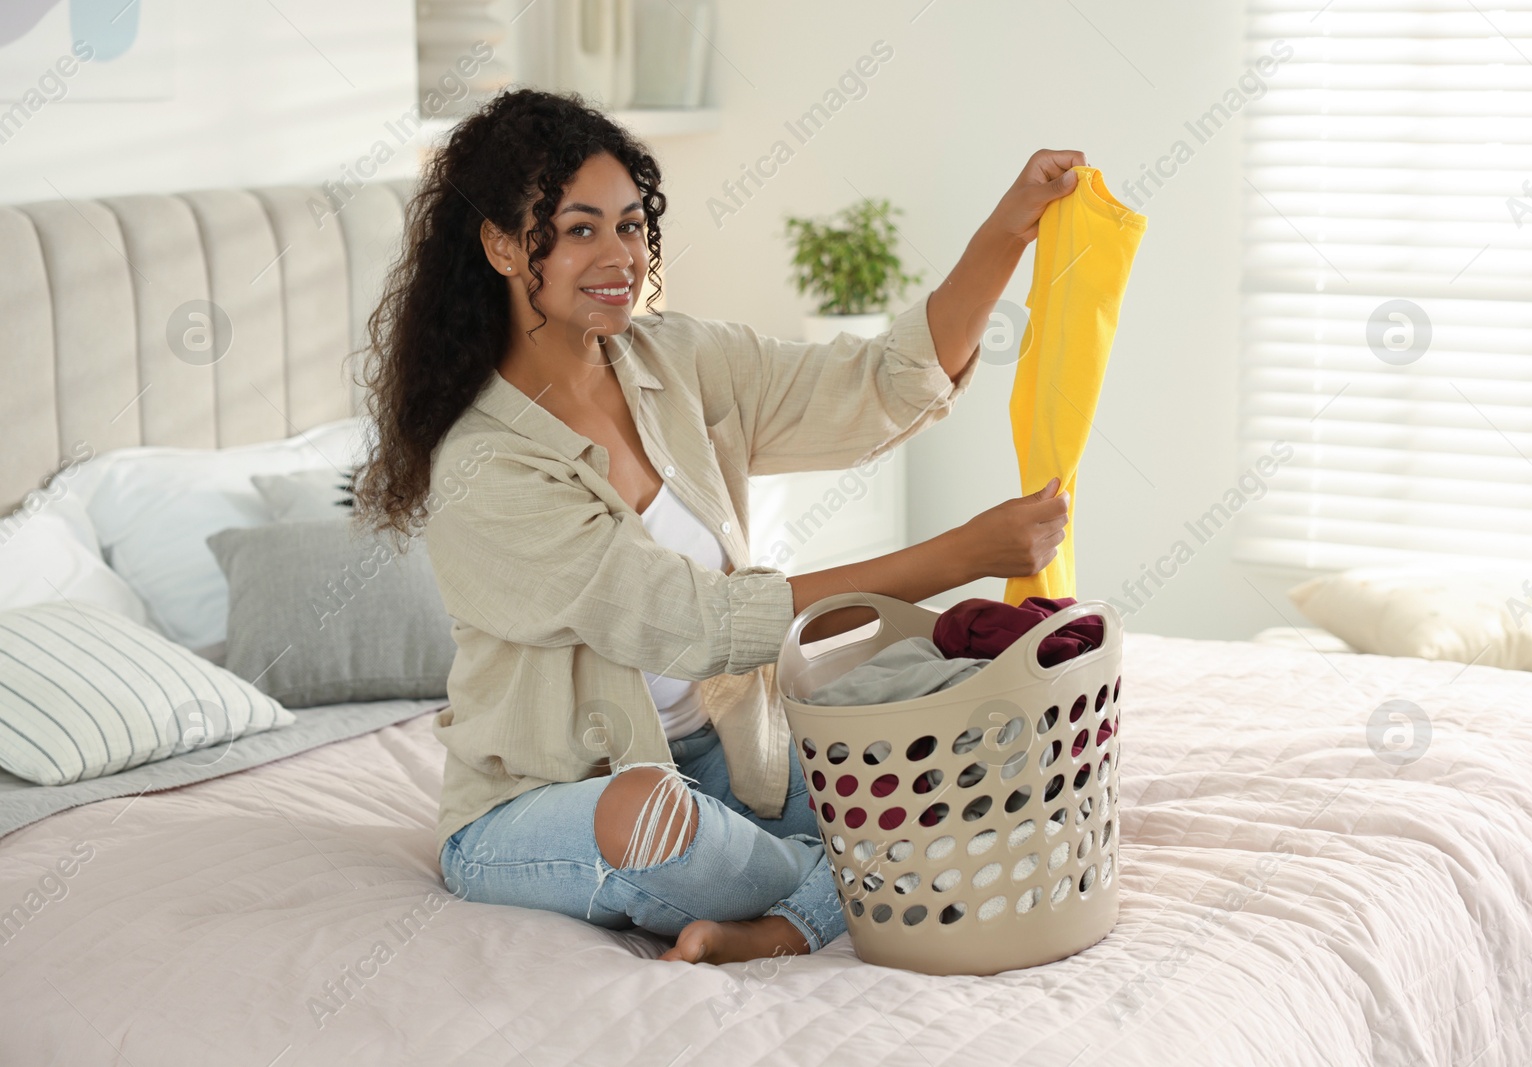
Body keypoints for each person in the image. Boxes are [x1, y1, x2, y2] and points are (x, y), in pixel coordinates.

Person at [350, 87, 1078, 965]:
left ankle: (793, 904)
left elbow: (876, 384)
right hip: (556, 801)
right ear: (503, 244)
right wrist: (964, 554)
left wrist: (1012, 225)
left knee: (982, 742)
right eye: (579, 229)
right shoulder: (486, 465)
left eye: (629, 224)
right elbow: (701, 624)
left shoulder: (672, 358)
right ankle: (841, 886)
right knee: (645, 812)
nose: (619, 254)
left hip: (731, 759)